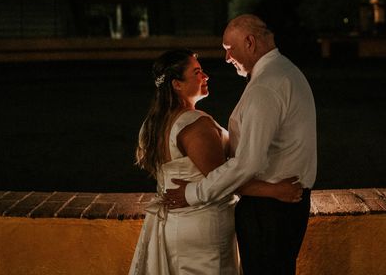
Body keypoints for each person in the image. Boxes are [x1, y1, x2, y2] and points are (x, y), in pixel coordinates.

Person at [164, 15, 317, 274]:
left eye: (228, 49)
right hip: (280, 205)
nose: (226, 58)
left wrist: (193, 193)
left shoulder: (266, 87)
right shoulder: (284, 71)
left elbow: (248, 162)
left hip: (269, 212)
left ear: (249, 42)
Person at [129, 48, 303, 275]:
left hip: (172, 224)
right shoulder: (195, 125)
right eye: (197, 72)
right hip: (203, 225)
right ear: (177, 84)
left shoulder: (150, 126)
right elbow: (223, 178)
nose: (206, 76)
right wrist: (275, 191)